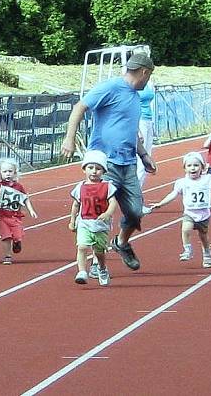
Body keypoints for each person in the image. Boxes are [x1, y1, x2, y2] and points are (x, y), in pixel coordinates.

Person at [61, 52, 157, 272]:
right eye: (149, 75)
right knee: (99, 212)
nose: (148, 80)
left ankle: (121, 242)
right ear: (144, 72)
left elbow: (130, 130)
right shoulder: (111, 88)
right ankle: (96, 261)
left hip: (128, 162)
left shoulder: (135, 96)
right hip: (106, 162)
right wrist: (69, 138)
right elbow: (79, 107)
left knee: (135, 212)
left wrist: (143, 155)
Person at [149, 151, 211, 268]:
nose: (193, 168)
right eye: (189, 166)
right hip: (190, 213)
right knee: (185, 229)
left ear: (202, 167)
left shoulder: (208, 178)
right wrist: (161, 203)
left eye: (196, 165)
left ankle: (207, 254)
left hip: (204, 214)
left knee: (203, 236)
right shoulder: (182, 182)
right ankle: (188, 250)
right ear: (185, 168)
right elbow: (173, 194)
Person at [68, 150, 118, 285]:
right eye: (90, 168)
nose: (94, 171)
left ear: (103, 171)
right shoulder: (80, 187)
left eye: (98, 168)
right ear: (84, 169)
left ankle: (102, 268)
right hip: (84, 223)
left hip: (100, 225)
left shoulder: (107, 186)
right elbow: (75, 205)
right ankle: (82, 272)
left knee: (99, 252)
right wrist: (72, 220)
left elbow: (113, 203)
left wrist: (107, 213)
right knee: (82, 247)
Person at [0, 158, 38, 265]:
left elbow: (25, 198)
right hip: (2, 216)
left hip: (15, 217)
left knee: (17, 236)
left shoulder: (19, 186)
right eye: (5, 172)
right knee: (6, 237)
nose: (8, 174)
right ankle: (7, 256)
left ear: (15, 172)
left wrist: (31, 210)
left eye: (10, 171)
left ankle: (17, 242)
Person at [136, 80, 156, 188]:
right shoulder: (133, 83)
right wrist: (137, 129)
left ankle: (138, 194)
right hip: (139, 121)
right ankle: (135, 197)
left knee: (147, 156)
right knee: (140, 160)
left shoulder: (148, 82)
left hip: (148, 120)